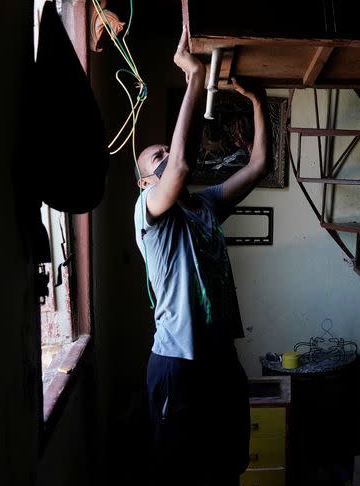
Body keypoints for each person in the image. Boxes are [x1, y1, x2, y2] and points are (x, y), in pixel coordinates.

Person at [134, 25, 270, 486]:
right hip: (178, 364)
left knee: (227, 466)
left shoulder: (206, 204)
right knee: (180, 473)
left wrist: (257, 101)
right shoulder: (149, 211)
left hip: (219, 360)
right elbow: (181, 166)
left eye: (165, 152)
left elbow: (258, 166)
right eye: (156, 158)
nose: (166, 157)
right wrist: (194, 78)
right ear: (144, 182)